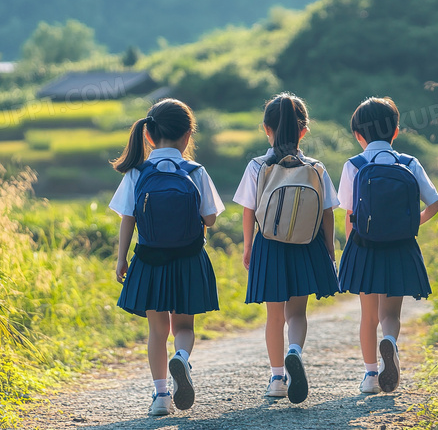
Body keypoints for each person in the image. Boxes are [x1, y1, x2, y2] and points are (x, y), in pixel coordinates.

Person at [109, 98, 225, 416]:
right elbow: (211, 218)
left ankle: (161, 396)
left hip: (149, 260)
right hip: (188, 259)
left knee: (157, 331)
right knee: (183, 327)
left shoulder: (137, 172)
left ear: (148, 135)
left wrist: (121, 259)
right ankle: (182, 359)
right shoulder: (195, 171)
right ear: (188, 135)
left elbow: (127, 218)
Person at [233, 93, 340, 404]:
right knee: (297, 313)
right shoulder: (316, 167)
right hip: (307, 244)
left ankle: (277, 377)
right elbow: (327, 212)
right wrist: (329, 250)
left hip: (269, 244)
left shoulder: (257, 166)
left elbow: (249, 210)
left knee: (274, 316)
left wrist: (248, 246)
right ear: (303, 130)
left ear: (266, 128)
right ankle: (295, 351)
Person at [337, 97, 438, 394]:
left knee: (368, 316)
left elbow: (348, 212)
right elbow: (435, 203)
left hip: (364, 247)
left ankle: (371, 375)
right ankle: (391, 344)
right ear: (396, 131)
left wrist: (351, 247)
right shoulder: (409, 163)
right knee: (391, 314)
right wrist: (410, 224)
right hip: (400, 246)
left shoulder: (354, 165)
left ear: (359, 135)